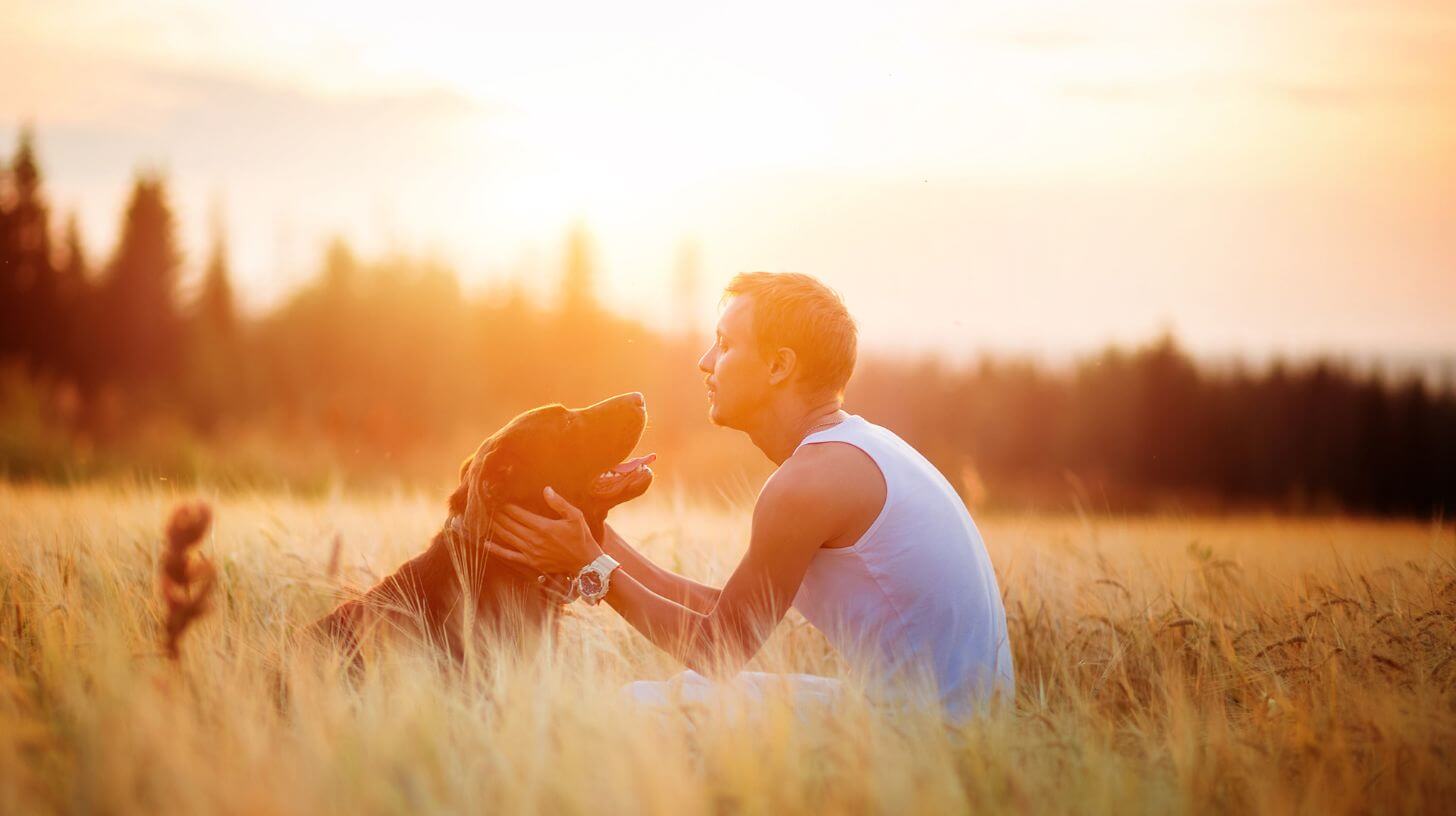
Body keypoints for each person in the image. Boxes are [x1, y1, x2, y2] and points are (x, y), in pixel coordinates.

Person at [486, 272, 1014, 720]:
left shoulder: (806, 485)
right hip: (942, 713)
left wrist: (593, 570)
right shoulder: (855, 451)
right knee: (679, 699)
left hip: (930, 736)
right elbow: (727, 612)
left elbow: (719, 648)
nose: (704, 360)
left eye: (726, 344)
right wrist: (597, 539)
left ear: (779, 367)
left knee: (633, 714)